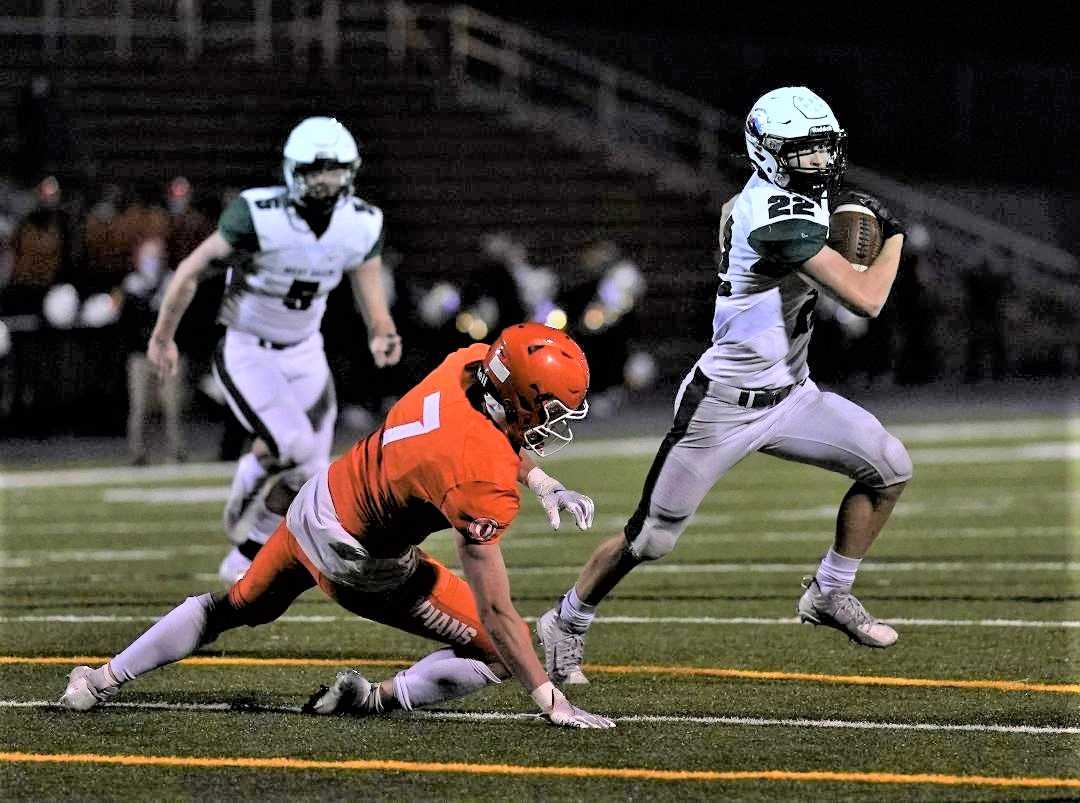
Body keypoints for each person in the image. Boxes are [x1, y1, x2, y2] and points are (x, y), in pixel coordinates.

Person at [536, 86, 914, 686]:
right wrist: (893, 233)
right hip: (722, 405)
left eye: (824, 150)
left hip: (793, 394)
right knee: (650, 539)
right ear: (767, 153)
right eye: (804, 153)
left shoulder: (775, 201)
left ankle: (829, 591)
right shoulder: (772, 213)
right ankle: (566, 621)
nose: (820, 164)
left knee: (889, 467)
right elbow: (867, 299)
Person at [60, 323, 614, 730]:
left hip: (317, 502)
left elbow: (488, 436)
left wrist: (543, 482)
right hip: (361, 562)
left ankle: (99, 680)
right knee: (498, 649)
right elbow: (496, 612)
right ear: (519, 399)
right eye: (550, 412)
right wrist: (548, 699)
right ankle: (375, 698)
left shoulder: (466, 366)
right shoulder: (480, 477)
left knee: (233, 606)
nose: (553, 425)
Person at [146, 117, 403, 585]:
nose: (325, 180)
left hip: (306, 351)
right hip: (249, 349)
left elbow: (367, 277)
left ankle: (244, 553)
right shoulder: (257, 214)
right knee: (298, 447)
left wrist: (381, 328)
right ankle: (251, 470)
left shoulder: (361, 222)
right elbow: (190, 271)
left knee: (313, 472)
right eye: (316, 168)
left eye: (335, 169)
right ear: (292, 169)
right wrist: (164, 337)